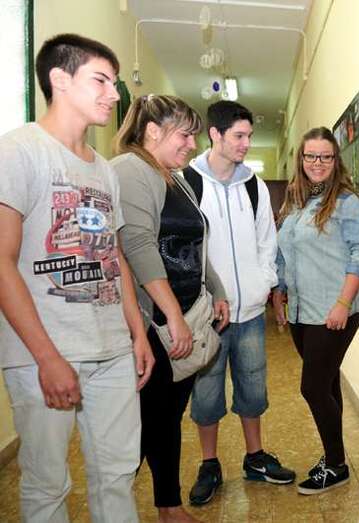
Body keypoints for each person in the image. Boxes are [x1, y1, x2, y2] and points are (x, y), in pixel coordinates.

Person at [0, 34, 154, 522]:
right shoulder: (18, 151)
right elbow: (2, 261)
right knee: (47, 483)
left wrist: (136, 334)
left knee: (117, 474)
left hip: (112, 349)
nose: (113, 94)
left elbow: (114, 258)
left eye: (115, 83)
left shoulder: (104, 170)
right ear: (60, 80)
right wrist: (47, 358)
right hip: (45, 350)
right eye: (101, 81)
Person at [112, 94, 230, 522]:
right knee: (147, 422)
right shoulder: (130, 170)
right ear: (152, 131)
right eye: (185, 135)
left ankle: (168, 506)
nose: (192, 144)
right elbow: (138, 247)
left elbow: (196, 242)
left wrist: (216, 289)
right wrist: (173, 317)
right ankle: (115, 505)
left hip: (184, 314)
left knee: (166, 417)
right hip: (154, 323)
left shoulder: (176, 178)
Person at [183, 101, 295, 506]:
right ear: (215, 134)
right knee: (206, 393)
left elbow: (267, 240)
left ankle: (255, 457)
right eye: (239, 136)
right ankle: (209, 464)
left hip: (249, 313)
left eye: (249, 135)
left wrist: (263, 285)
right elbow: (183, 247)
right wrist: (201, 297)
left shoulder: (254, 185)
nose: (246, 143)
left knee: (253, 388)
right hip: (207, 316)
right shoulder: (186, 182)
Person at [273, 127, 359, 495]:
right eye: (311, 156)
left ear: (336, 160)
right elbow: (284, 254)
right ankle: (334, 456)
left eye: (326, 157)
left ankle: (336, 465)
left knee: (313, 387)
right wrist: (279, 294)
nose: (318, 163)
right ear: (301, 159)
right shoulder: (296, 202)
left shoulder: (349, 202)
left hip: (335, 311)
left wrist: (343, 304)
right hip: (302, 311)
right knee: (328, 383)